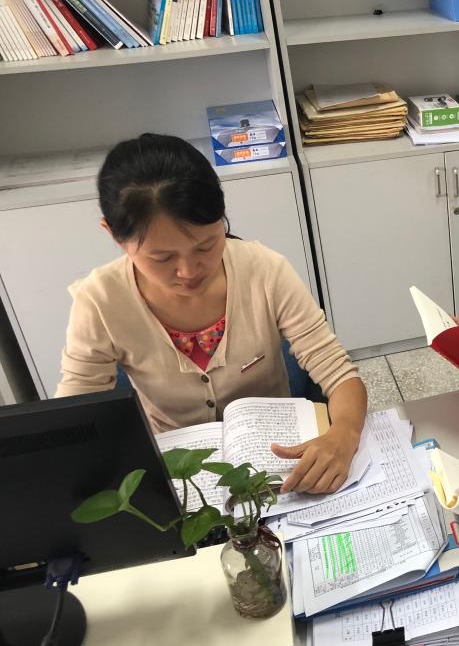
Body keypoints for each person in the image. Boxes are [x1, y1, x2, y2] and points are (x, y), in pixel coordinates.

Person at [56, 133, 367, 495]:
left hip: (276, 458)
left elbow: (337, 371)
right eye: (162, 258)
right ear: (113, 235)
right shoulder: (99, 301)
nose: (189, 271)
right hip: (180, 475)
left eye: (206, 246)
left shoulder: (264, 270)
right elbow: (79, 417)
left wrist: (344, 434)